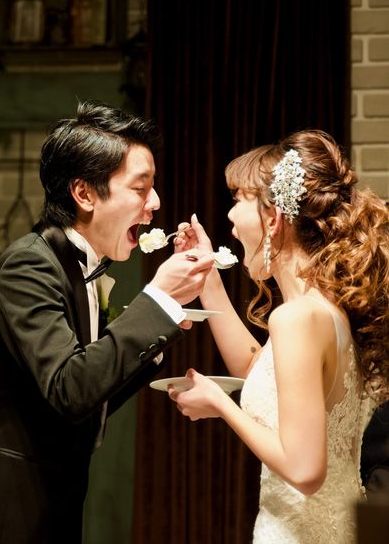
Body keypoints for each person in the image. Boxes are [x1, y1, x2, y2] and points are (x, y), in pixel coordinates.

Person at [0, 100, 215, 544]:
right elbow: (70, 388)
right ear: (84, 193)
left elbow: (87, 393)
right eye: (141, 188)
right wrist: (156, 299)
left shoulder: (82, 269)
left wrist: (163, 318)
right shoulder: (30, 266)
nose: (155, 203)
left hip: (54, 507)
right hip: (1, 515)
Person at [167, 130, 389, 543]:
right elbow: (261, 372)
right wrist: (208, 279)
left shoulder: (296, 318)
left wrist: (221, 403)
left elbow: (305, 470)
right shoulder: (324, 309)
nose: (230, 220)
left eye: (238, 199)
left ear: (273, 218)